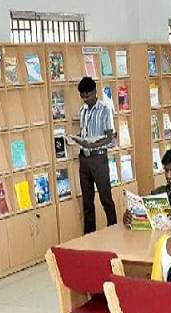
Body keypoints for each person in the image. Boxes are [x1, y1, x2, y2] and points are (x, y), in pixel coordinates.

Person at [68, 76, 117, 234]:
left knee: (105, 198)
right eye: (82, 97)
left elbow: (110, 137)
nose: (85, 100)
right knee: (87, 201)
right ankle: (89, 235)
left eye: (87, 96)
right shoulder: (83, 111)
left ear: (95, 92)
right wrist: (76, 139)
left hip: (98, 158)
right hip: (84, 159)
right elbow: (85, 133)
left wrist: (92, 145)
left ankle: (114, 230)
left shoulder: (105, 109)